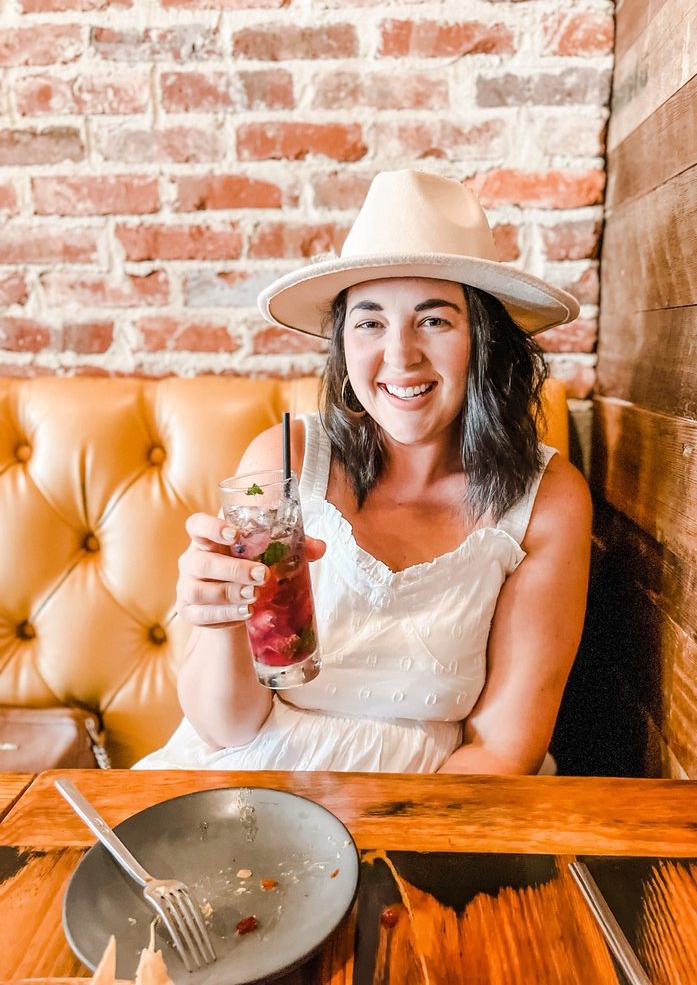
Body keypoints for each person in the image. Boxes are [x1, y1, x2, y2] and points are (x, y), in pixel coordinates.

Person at [135, 169, 592, 775]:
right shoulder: (281, 464)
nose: (400, 356)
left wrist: (369, 830)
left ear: (484, 339)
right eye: (370, 322)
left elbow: (503, 751)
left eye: (434, 320)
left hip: (441, 800)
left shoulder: (547, 500)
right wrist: (218, 618)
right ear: (344, 346)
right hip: (254, 777)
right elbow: (228, 729)